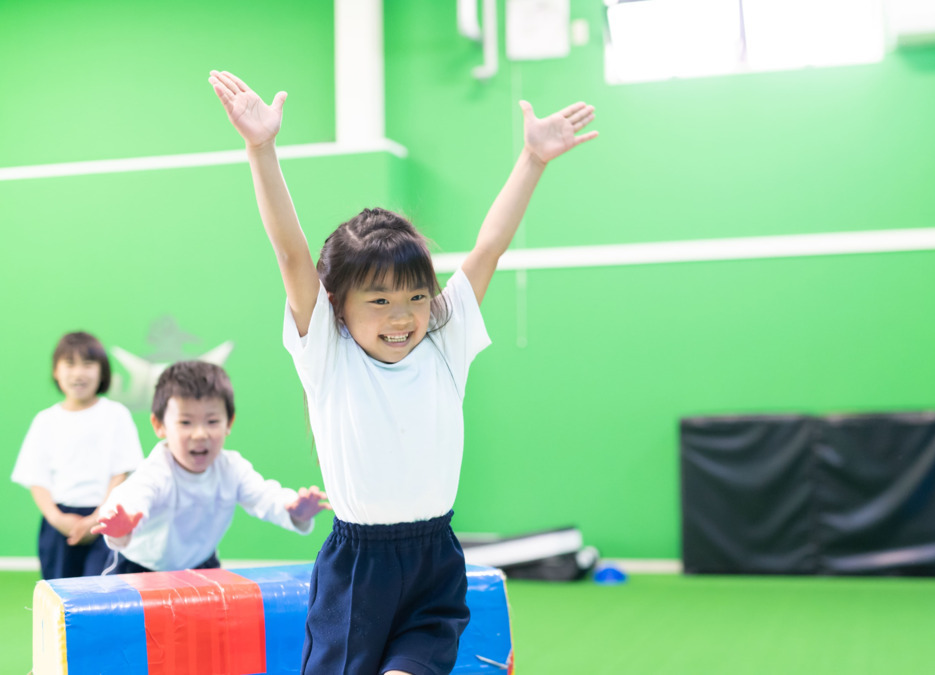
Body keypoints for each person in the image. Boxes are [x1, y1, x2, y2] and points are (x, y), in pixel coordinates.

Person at [209, 68, 597, 675]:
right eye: (380, 301)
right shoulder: (328, 352)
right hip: (358, 567)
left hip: (434, 558)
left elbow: (487, 248)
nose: (404, 317)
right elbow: (291, 254)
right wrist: (262, 148)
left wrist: (532, 159)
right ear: (340, 306)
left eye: (417, 297)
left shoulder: (444, 340)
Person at [91, 360, 331, 574]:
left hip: (200, 564)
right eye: (185, 422)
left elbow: (265, 496)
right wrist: (122, 522)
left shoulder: (231, 468)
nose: (200, 434)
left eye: (212, 421)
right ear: (159, 425)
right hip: (141, 568)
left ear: (229, 422)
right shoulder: (157, 471)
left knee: (210, 623)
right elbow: (132, 498)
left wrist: (293, 510)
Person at [11, 331, 144, 580]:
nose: (78, 373)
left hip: (106, 522)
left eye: (88, 364)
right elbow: (36, 478)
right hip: (58, 526)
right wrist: (56, 517)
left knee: (102, 595)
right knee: (60, 599)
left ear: (102, 371)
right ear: (56, 371)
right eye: (69, 364)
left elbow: (121, 473)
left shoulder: (116, 415)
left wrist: (97, 517)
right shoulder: (45, 420)